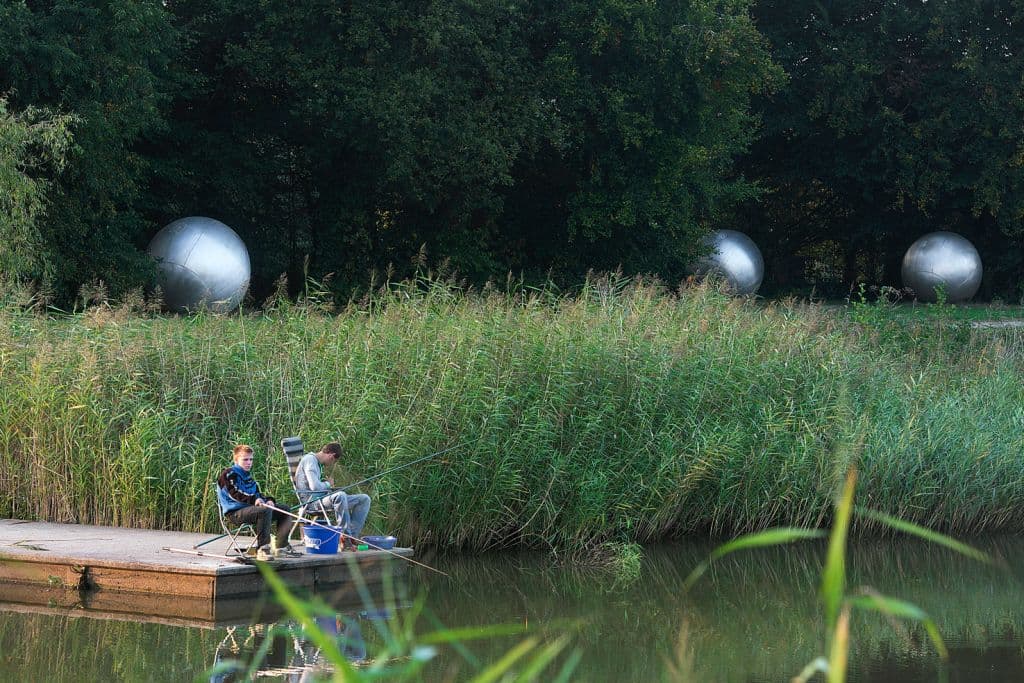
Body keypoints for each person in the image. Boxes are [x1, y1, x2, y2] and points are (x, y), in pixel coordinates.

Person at [217, 444, 299, 558]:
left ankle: (281, 547)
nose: (249, 463)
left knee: (284, 509)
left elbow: (257, 495)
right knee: (264, 511)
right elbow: (235, 494)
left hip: (251, 510)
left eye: (251, 459)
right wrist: (254, 500)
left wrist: (268, 500)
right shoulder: (228, 474)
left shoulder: (249, 478)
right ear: (236, 460)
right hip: (234, 513)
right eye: (245, 459)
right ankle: (263, 549)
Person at [294, 442, 371, 549]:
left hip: (321, 498)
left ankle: (351, 538)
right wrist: (328, 484)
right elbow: (314, 487)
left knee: (364, 499)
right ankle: (345, 537)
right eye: (334, 461)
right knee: (340, 496)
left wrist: (330, 488)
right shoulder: (310, 460)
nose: (332, 464)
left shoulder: (317, 463)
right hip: (311, 502)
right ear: (331, 455)